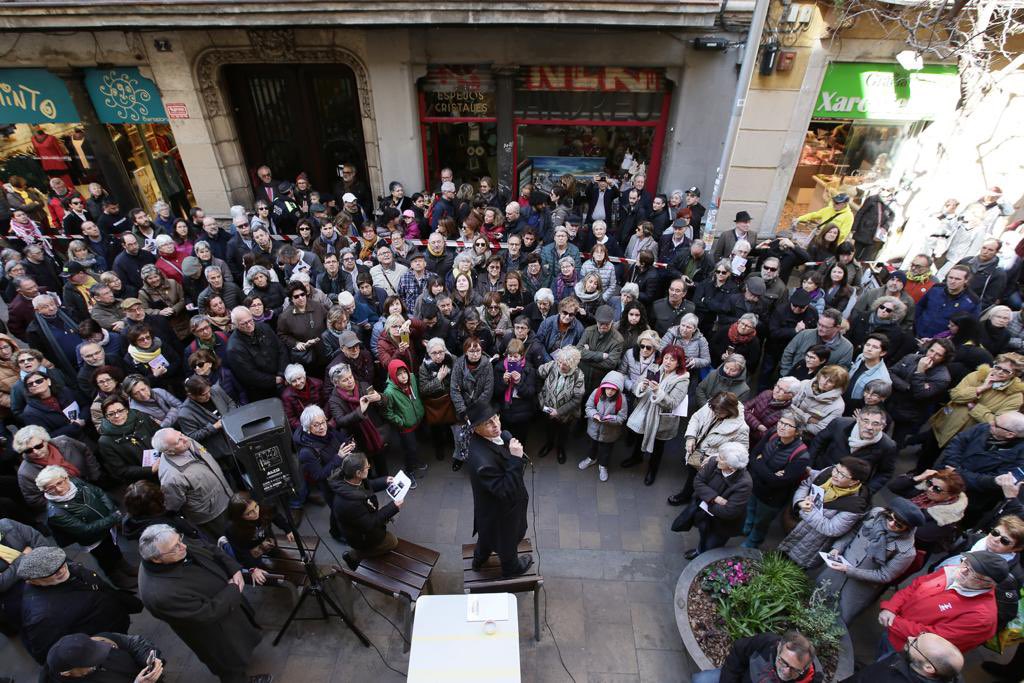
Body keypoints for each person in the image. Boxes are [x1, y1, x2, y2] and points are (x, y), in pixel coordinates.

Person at [137, 524, 270, 683]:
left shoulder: (174, 545)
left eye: (180, 540)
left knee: (242, 644)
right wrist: (234, 588)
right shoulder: (159, 594)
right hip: (215, 633)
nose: (184, 546)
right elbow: (206, 614)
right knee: (229, 666)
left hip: (229, 608)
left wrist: (234, 569)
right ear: (156, 559)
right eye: (175, 547)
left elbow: (210, 548)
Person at [18, 547, 143, 665]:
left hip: (115, 626)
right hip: (101, 651)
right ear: (32, 581)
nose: (61, 570)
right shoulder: (42, 616)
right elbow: (48, 655)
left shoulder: (67, 568)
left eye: (60, 564)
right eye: (51, 572)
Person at [878, 551, 1005, 655]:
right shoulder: (952, 572)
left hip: (906, 650)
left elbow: (934, 638)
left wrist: (894, 622)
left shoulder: (981, 618)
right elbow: (915, 586)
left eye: (972, 572)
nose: (962, 570)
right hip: (893, 629)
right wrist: (891, 608)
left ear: (989, 583)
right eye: (965, 563)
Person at [816, 501, 923, 624]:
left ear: (908, 528)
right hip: (835, 572)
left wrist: (849, 570)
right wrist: (838, 547)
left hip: (858, 588)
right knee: (815, 597)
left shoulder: (907, 551)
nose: (891, 524)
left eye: (898, 525)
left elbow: (885, 575)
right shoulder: (875, 514)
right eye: (890, 518)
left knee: (835, 620)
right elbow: (854, 531)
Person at [35, 465, 137, 590]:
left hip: (106, 527)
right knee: (105, 558)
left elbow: (99, 493)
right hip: (93, 539)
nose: (58, 489)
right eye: (50, 488)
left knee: (113, 548)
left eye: (59, 483)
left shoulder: (76, 482)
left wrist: (111, 510)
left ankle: (124, 567)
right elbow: (84, 530)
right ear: (44, 491)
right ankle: (116, 577)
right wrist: (112, 518)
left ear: (66, 478)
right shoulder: (56, 513)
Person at [917, 354, 1024, 472]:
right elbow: (955, 395)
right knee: (927, 454)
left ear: (1015, 374)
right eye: (998, 367)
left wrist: (976, 408)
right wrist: (980, 388)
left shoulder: (1015, 397)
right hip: (946, 424)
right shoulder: (977, 375)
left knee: (949, 465)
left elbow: (997, 423)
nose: (999, 372)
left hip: (970, 436)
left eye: (1006, 371)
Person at [464, 403, 532, 577]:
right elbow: (504, 491)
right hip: (502, 515)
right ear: (476, 429)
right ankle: (511, 569)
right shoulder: (482, 462)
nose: (496, 425)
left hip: (488, 513)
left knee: (486, 537)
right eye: (488, 422)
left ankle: (478, 560)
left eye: (495, 417)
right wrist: (515, 459)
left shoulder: (489, 438)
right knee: (507, 543)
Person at [777, 457, 873, 569]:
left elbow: (831, 529)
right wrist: (800, 501)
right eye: (836, 469)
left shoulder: (855, 505)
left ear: (854, 482)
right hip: (794, 529)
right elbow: (806, 485)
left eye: (842, 475)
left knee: (789, 571)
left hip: (811, 546)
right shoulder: (827, 472)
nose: (835, 475)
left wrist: (807, 510)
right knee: (776, 559)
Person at [742, 411, 810, 548]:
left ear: (797, 431)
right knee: (750, 508)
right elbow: (753, 455)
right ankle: (746, 528)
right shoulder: (772, 433)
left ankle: (753, 542)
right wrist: (770, 473)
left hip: (772, 497)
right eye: (781, 422)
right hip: (755, 485)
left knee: (761, 521)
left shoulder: (801, 455)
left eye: (788, 425)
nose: (782, 427)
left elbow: (778, 482)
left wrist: (760, 462)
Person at [151, 428, 234, 538]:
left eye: (181, 434)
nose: (185, 439)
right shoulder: (171, 477)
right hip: (213, 515)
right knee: (229, 538)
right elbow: (174, 504)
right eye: (178, 441)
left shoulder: (186, 441)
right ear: (169, 451)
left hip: (225, 495)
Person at [670, 391, 749, 504]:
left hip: (712, 462)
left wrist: (715, 457)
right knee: (692, 475)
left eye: (719, 413)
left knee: (703, 484)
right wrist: (691, 437)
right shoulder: (712, 406)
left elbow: (741, 452)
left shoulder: (741, 428)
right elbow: (696, 418)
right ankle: (686, 495)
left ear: (730, 411)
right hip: (697, 451)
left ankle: (694, 503)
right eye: (714, 411)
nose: (715, 414)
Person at [328, 451, 401, 570]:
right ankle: (354, 556)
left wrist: (384, 481)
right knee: (392, 542)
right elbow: (370, 524)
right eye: (367, 466)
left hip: (360, 523)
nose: (369, 467)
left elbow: (367, 485)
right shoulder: (351, 503)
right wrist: (393, 507)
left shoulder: (349, 479)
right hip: (361, 537)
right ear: (358, 473)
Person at [682, 443, 752, 558]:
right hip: (705, 516)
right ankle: (699, 552)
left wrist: (705, 501)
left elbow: (729, 511)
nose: (717, 458)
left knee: (712, 546)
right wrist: (714, 498)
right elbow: (698, 482)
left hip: (723, 525)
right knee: (703, 535)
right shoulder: (714, 462)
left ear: (732, 467)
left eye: (722, 458)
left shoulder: (745, 483)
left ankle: (704, 561)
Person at [809, 406, 898, 493]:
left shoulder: (887, 445)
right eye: (865, 421)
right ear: (858, 419)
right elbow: (818, 442)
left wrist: (866, 491)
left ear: (883, 426)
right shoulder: (839, 424)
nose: (869, 427)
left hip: (849, 490)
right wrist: (809, 466)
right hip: (821, 474)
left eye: (875, 424)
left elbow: (885, 473)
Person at [15, 425, 100, 512]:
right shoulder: (25, 473)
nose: (35, 452)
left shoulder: (64, 441)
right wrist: (65, 503)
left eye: (38, 446)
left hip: (92, 484)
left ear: (45, 440)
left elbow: (85, 452)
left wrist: (95, 476)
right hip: (71, 505)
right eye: (28, 451)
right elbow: (35, 500)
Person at [692, 629, 824, 683]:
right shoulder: (766, 642)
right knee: (701, 680)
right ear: (779, 647)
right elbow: (738, 654)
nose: (786, 671)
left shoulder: (811, 680)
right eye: (783, 662)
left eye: (795, 670)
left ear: (805, 668)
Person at [40, 631, 165, 683]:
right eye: (91, 663)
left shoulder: (95, 642)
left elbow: (133, 642)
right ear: (67, 673)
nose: (102, 656)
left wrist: (148, 659)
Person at [839, 632, 964, 683]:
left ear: (928, 667)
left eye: (915, 643)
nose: (910, 638)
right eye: (921, 634)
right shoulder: (914, 660)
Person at [226, 306, 289, 401]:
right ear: (235, 325)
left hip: (282, 377)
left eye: (250, 320)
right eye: (244, 324)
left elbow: (281, 349)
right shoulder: (234, 348)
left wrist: (282, 373)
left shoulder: (264, 327)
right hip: (261, 391)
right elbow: (249, 375)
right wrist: (274, 380)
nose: (249, 325)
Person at [536, 345, 586, 464]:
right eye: (560, 362)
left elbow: (577, 399)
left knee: (563, 431)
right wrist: (540, 393)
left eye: (565, 365)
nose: (561, 366)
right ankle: (549, 444)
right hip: (548, 408)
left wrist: (559, 412)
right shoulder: (552, 365)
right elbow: (538, 373)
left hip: (566, 413)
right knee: (549, 428)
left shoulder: (578, 375)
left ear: (573, 364)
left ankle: (560, 448)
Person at [97, 396, 161, 485]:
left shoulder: (141, 417)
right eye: (111, 414)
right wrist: (151, 470)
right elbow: (121, 470)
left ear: (127, 410)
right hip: (146, 481)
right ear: (106, 417)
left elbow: (161, 435)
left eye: (120, 411)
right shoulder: (105, 441)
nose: (117, 416)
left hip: (166, 461)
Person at [579, 370, 629, 483]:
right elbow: (589, 407)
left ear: (618, 390)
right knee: (592, 446)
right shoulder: (596, 392)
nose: (610, 391)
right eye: (608, 388)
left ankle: (603, 466)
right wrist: (594, 415)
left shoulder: (622, 399)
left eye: (613, 389)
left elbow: (622, 417)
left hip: (609, 433)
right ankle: (591, 458)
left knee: (606, 451)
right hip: (594, 429)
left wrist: (610, 419)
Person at [915, 265, 980, 339]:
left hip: (940, 342)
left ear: (966, 280)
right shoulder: (936, 289)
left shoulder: (972, 302)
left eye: (957, 279)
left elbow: (969, 328)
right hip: (917, 333)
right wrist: (915, 324)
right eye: (950, 277)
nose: (952, 281)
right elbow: (920, 306)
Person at [789, 365, 849, 439]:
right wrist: (809, 418)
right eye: (824, 377)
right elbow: (786, 404)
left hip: (804, 436)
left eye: (830, 381)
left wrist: (795, 423)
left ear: (837, 386)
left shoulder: (838, 406)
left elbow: (821, 429)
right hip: (785, 422)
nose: (824, 382)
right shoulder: (804, 384)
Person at [743, 376, 801, 446]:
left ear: (791, 395)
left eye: (782, 390)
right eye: (777, 386)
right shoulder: (766, 393)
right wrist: (758, 425)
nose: (776, 390)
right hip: (742, 428)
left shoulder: (787, 415)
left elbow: (767, 436)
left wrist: (749, 417)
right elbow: (743, 409)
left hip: (753, 443)